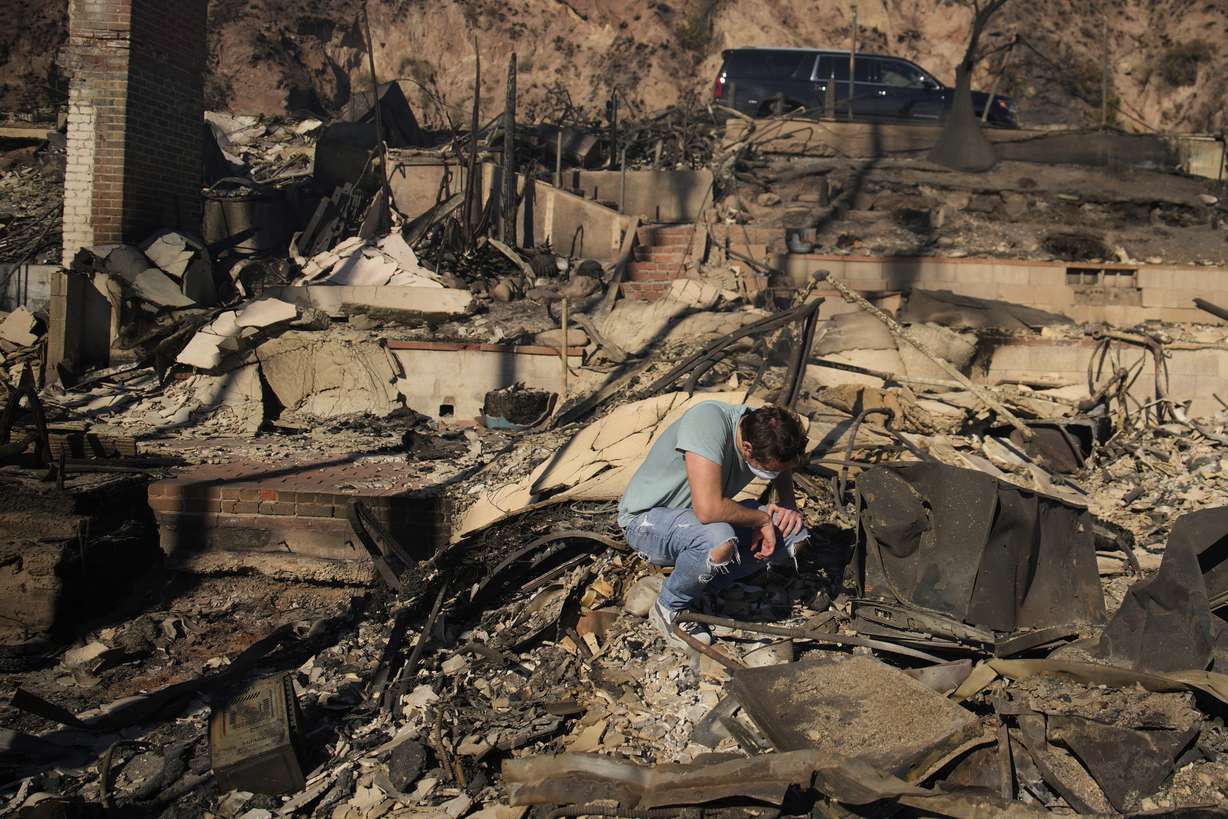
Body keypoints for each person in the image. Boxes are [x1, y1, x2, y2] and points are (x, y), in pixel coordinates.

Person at [617, 400, 812, 650]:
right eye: (768, 471)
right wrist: (761, 519)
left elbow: (782, 465)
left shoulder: (766, 430)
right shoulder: (708, 422)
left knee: (793, 533)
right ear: (747, 448)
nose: (773, 476)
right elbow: (708, 510)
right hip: (647, 522)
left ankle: (704, 590)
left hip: (697, 522)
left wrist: (787, 505)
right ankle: (669, 607)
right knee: (718, 539)